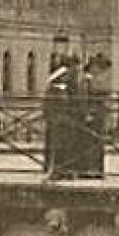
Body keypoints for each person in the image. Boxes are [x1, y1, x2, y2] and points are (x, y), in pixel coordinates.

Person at [43, 51, 80, 180]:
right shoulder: (61, 80)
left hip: (64, 118)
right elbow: (62, 98)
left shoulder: (65, 79)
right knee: (60, 144)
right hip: (61, 118)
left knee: (67, 144)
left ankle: (64, 169)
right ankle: (58, 170)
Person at [76, 53, 111, 179]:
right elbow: (83, 99)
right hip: (92, 116)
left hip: (98, 115)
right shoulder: (86, 81)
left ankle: (96, 169)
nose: (101, 71)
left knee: (97, 143)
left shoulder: (93, 80)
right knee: (90, 143)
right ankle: (90, 170)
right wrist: (87, 113)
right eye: (99, 68)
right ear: (92, 67)